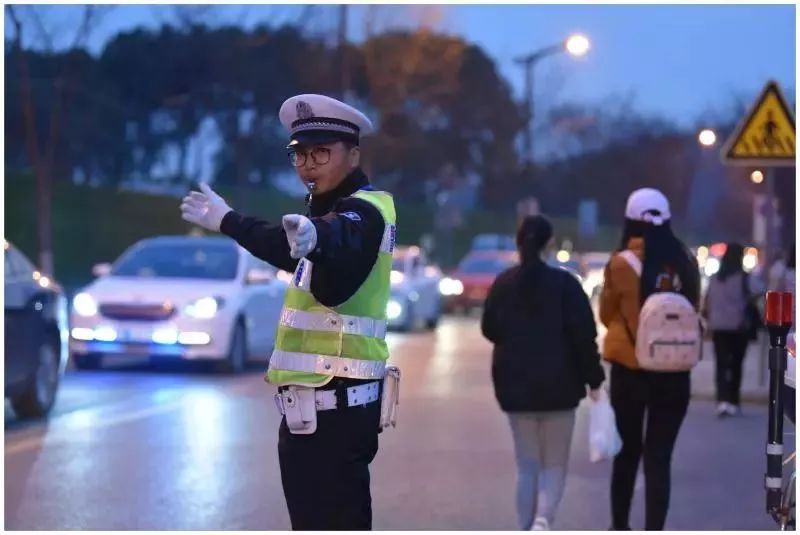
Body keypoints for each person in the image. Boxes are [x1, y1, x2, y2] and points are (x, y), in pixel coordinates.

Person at [180, 94, 397, 530]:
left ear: (353, 154)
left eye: (321, 152)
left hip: (335, 411)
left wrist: (317, 235)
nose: (308, 164)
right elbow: (289, 245)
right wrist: (229, 221)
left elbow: (341, 237)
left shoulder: (364, 212)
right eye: (299, 154)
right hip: (314, 411)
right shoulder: (323, 215)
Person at [481, 214, 605, 531]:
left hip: (514, 388)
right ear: (550, 245)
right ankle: (543, 519)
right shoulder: (566, 285)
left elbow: (490, 329)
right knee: (554, 464)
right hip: (560, 389)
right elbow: (584, 337)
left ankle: (526, 527)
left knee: (526, 465)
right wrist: (595, 380)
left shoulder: (504, 284)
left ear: (519, 243)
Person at [599, 188, 700, 531]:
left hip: (631, 373)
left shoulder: (621, 264)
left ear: (629, 222)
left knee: (627, 454)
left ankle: (620, 525)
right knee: (659, 459)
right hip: (674, 372)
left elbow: (606, 314)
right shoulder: (685, 260)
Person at [703, 242, 764, 417]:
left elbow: (707, 300)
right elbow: (760, 290)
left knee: (721, 365)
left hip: (718, 326)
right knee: (737, 364)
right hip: (738, 327)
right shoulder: (745, 277)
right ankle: (733, 400)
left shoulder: (715, 277)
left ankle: (721, 400)